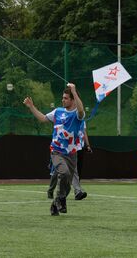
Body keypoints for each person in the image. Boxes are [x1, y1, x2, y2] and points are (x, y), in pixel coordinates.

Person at [24, 83, 84, 216]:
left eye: (66, 98)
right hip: (56, 151)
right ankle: (61, 200)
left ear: (73, 99)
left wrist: (74, 90)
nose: (63, 100)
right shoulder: (57, 111)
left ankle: (55, 204)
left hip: (71, 153)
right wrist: (31, 107)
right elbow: (43, 118)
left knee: (67, 185)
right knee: (64, 172)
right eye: (62, 97)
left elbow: (80, 111)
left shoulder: (77, 114)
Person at [47, 121, 92, 200]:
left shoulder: (81, 120)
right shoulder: (65, 118)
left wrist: (87, 145)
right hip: (61, 148)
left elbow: (83, 132)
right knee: (56, 172)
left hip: (74, 148)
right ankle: (51, 190)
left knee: (74, 170)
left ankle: (78, 191)